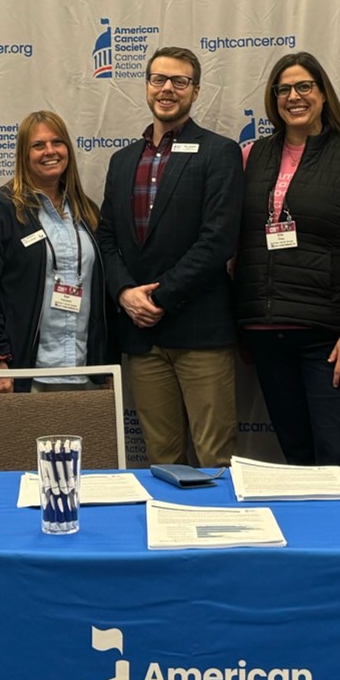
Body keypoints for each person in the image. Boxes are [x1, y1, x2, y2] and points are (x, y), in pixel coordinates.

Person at [234, 51, 340, 466]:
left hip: (330, 337)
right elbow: (235, 243)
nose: (294, 96)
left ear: (322, 94)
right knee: (296, 459)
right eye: (283, 89)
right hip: (265, 332)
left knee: (337, 457)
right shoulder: (251, 156)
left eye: (304, 86)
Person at [97, 46, 243, 467]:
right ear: (146, 86)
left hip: (201, 332)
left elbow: (217, 242)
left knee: (215, 458)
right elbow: (107, 237)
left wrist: (158, 300)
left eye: (179, 81)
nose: (167, 89)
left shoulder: (219, 152)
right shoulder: (122, 161)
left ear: (195, 91)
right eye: (159, 79)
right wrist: (125, 293)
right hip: (143, 338)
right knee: (161, 460)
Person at [0, 110, 113, 392]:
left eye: (57, 142)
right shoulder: (0, 210)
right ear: (24, 155)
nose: (49, 151)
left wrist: (107, 364)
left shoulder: (87, 212)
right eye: (38, 145)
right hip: (23, 372)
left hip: (85, 371)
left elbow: (103, 295)